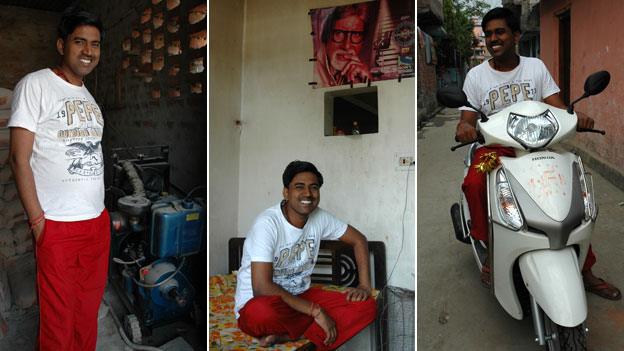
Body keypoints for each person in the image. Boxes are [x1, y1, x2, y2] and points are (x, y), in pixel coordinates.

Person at [456, 7, 620, 300]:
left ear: (516, 35)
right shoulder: (476, 76)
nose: (494, 38)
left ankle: (585, 269)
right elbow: (467, 116)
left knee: (570, 194)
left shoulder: (535, 67)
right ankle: (491, 247)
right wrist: (465, 127)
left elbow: (557, 104)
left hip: (539, 145)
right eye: (489, 34)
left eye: (500, 32)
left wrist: (576, 115)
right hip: (497, 149)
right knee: (474, 183)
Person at [8, 6, 110, 350]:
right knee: (58, 320)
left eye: (95, 44)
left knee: (87, 312)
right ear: (61, 45)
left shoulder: (90, 100)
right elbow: (18, 157)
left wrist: (101, 218)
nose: (88, 51)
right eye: (79, 42)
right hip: (57, 226)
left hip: (96, 224)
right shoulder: (35, 85)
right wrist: (38, 221)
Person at [234, 161, 377, 350]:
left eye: (314, 187)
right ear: (286, 192)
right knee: (258, 312)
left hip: (302, 295)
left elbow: (359, 240)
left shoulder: (320, 218)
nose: (308, 194)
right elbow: (261, 287)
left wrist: (365, 285)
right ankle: (308, 328)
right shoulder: (267, 224)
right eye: (299, 187)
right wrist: (316, 311)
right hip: (268, 302)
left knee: (367, 306)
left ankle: (288, 335)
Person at [315, 4, 372, 87]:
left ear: (362, 42)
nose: (347, 46)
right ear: (326, 35)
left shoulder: (355, 71)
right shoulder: (313, 73)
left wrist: (366, 83)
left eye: (356, 34)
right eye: (339, 33)